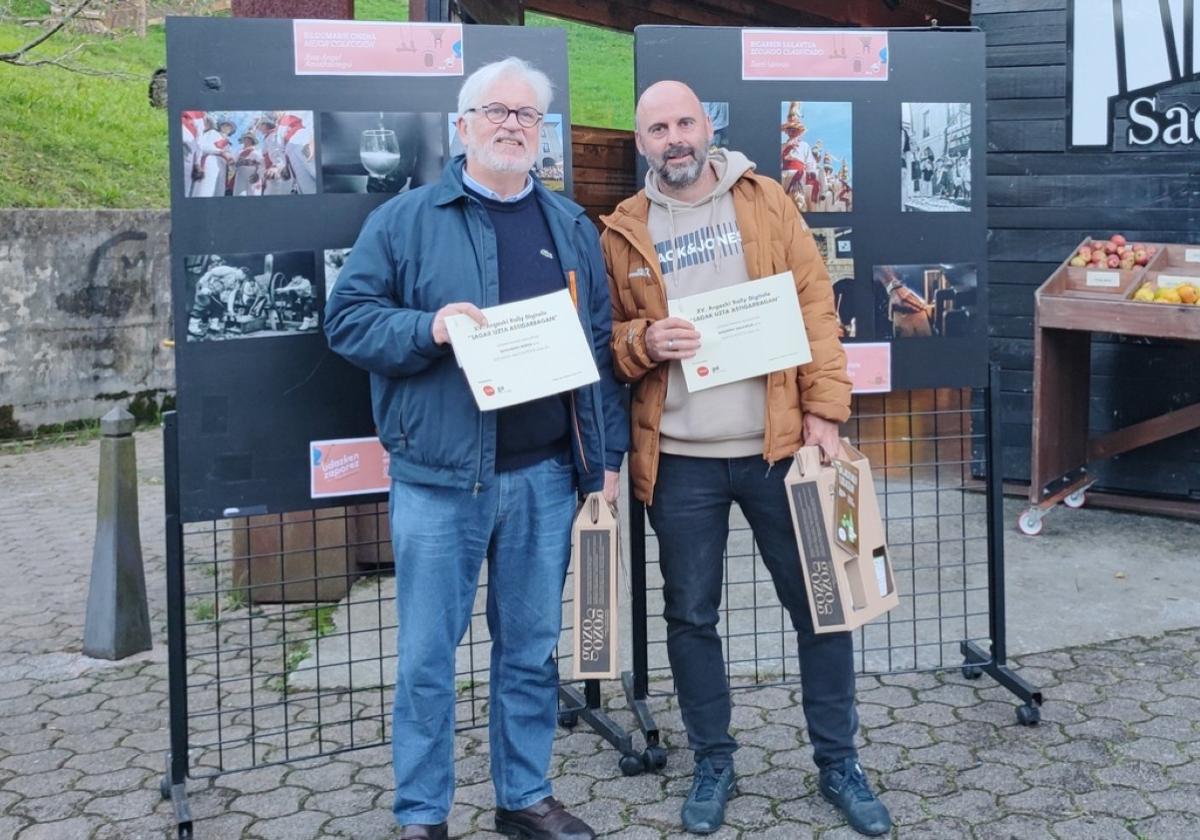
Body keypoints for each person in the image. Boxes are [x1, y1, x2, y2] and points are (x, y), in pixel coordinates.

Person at [324, 57, 628, 840]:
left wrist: (604, 463)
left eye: (527, 116)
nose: (511, 125)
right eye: (495, 111)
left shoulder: (568, 227)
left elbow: (594, 352)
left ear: (542, 133)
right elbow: (347, 320)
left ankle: (522, 797)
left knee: (530, 650)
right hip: (440, 482)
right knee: (428, 660)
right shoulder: (406, 219)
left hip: (544, 480)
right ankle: (423, 816)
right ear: (462, 126)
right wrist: (428, 328)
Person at [600, 80, 892, 838]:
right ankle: (713, 761)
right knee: (690, 615)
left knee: (823, 609)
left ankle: (838, 762)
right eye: (658, 127)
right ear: (643, 144)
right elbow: (608, 339)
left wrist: (827, 410)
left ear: (707, 128)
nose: (674, 138)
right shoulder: (623, 228)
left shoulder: (764, 200)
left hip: (778, 449)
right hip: (681, 462)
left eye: (684, 122)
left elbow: (814, 301)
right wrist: (643, 343)